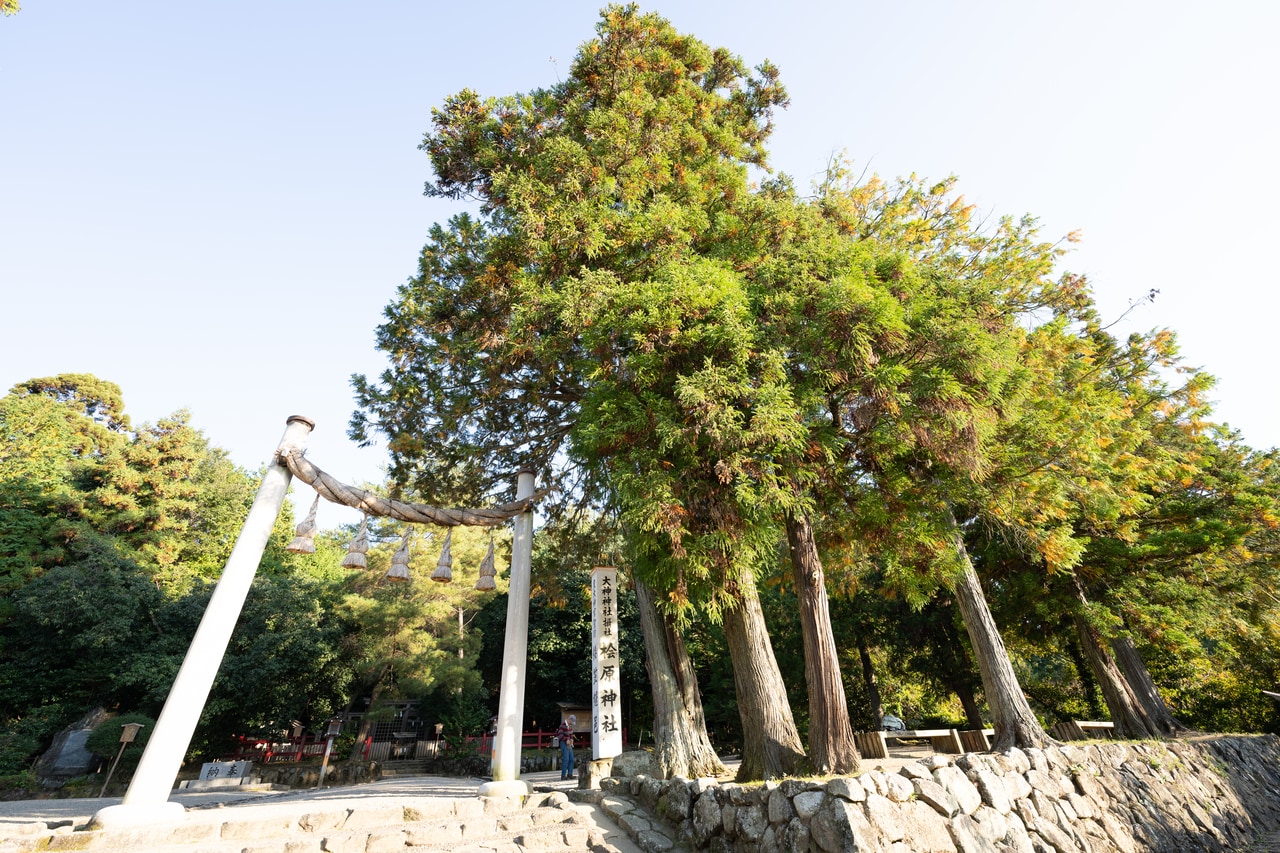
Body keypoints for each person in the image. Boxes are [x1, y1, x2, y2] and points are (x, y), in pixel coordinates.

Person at [557, 715, 576, 780]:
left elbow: (571, 734)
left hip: (569, 744)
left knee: (571, 759)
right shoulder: (562, 725)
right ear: (569, 719)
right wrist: (566, 739)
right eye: (571, 722)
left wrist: (571, 739)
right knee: (566, 759)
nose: (572, 723)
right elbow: (560, 735)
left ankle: (570, 774)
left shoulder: (570, 726)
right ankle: (563, 775)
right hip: (564, 744)